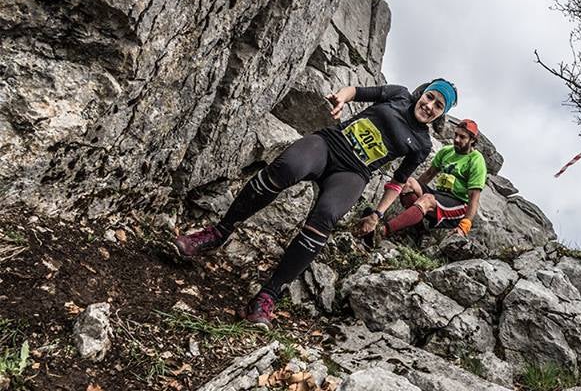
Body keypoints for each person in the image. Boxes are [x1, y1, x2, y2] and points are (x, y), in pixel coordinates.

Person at [173, 79, 457, 328]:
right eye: (430, 96)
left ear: (441, 114)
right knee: (285, 168)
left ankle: (267, 296)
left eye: (439, 105)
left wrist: (377, 215)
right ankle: (217, 234)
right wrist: (342, 98)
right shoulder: (399, 94)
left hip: (354, 173)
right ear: (423, 92)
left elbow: (398, 181)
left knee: (326, 218)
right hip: (330, 144)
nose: (430, 105)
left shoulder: (421, 145)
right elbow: (356, 91)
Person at [370, 119, 487, 243]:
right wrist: (413, 193)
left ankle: (382, 232)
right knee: (408, 183)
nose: (457, 139)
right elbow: (429, 174)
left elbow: (474, 197)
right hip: (440, 195)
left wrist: (464, 226)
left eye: (462, 137)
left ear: (472, 140)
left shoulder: (476, 160)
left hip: (459, 205)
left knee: (427, 200)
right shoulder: (447, 151)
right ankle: (419, 231)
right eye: (456, 135)